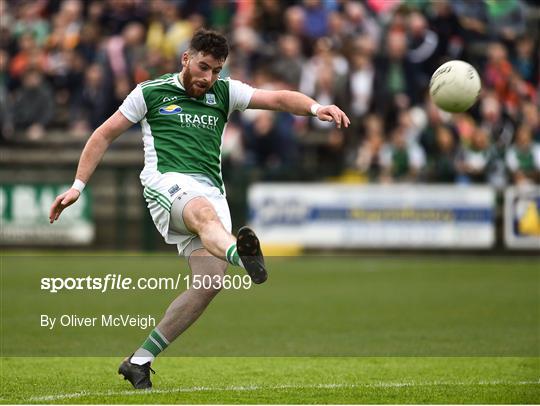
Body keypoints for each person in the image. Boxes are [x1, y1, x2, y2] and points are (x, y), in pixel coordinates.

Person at [48, 29, 350, 390]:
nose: (208, 77)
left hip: (211, 191)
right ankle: (243, 254)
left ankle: (139, 361)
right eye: (203, 67)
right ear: (185, 59)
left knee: (209, 283)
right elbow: (102, 135)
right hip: (167, 185)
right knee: (202, 213)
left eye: (216, 71)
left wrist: (317, 108)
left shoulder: (224, 92)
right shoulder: (150, 92)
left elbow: (280, 99)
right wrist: (77, 186)